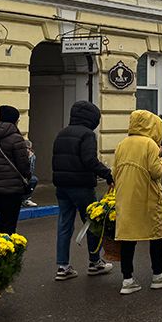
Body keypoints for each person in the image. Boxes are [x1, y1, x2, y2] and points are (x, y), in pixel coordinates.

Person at [113, 110, 162, 294]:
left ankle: (127, 280)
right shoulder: (150, 144)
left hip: (126, 197)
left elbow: (114, 171)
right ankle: (158, 275)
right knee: (155, 235)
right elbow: (156, 171)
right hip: (148, 196)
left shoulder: (122, 144)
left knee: (128, 237)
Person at [51, 101, 115, 281]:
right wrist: (107, 174)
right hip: (81, 186)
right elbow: (89, 160)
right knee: (92, 224)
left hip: (61, 186)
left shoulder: (61, 133)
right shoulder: (87, 135)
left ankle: (63, 267)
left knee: (64, 225)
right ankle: (95, 262)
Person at [0, 105, 32, 235]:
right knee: (9, 224)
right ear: (15, 120)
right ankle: (5, 252)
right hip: (12, 188)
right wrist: (28, 176)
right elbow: (23, 165)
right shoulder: (16, 138)